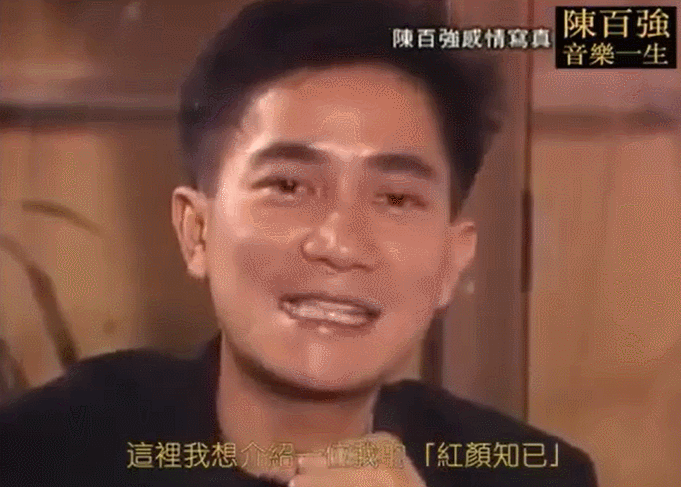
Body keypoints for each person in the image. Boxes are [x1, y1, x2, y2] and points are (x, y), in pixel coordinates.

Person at [0, 1, 598, 485]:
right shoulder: (50, 450)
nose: (339, 244)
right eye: (288, 186)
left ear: (451, 261)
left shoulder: (534, 476)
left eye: (396, 198)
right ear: (197, 230)